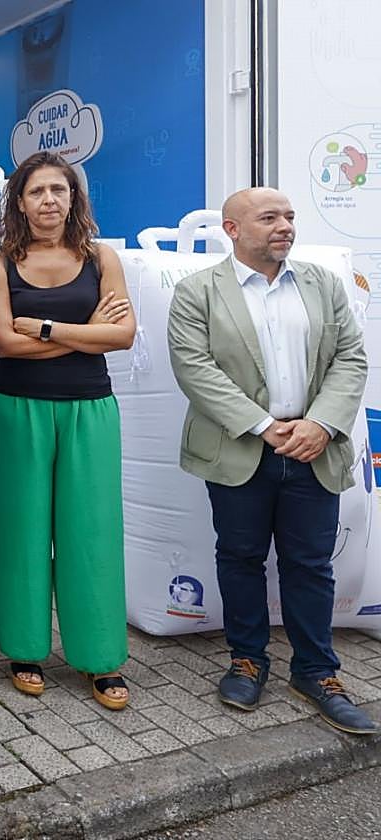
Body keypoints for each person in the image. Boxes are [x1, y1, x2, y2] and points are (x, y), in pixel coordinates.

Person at [167, 187, 375, 735]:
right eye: (269, 218)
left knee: (311, 564)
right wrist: (263, 425)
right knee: (240, 557)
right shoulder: (197, 292)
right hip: (240, 448)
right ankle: (247, 660)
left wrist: (320, 424)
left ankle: (316, 672)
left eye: (289, 216)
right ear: (232, 230)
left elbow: (350, 358)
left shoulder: (322, 283)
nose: (284, 226)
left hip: (312, 447)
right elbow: (194, 368)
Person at [0, 151, 136, 711]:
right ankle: (24, 650)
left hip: (89, 409)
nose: (49, 200)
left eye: (59, 190)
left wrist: (46, 328)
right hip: (16, 410)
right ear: (19, 203)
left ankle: (100, 656)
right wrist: (87, 331)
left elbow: (123, 336)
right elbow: (4, 343)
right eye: (37, 191)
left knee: (91, 533)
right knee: (18, 532)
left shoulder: (101, 257)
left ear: (74, 199)